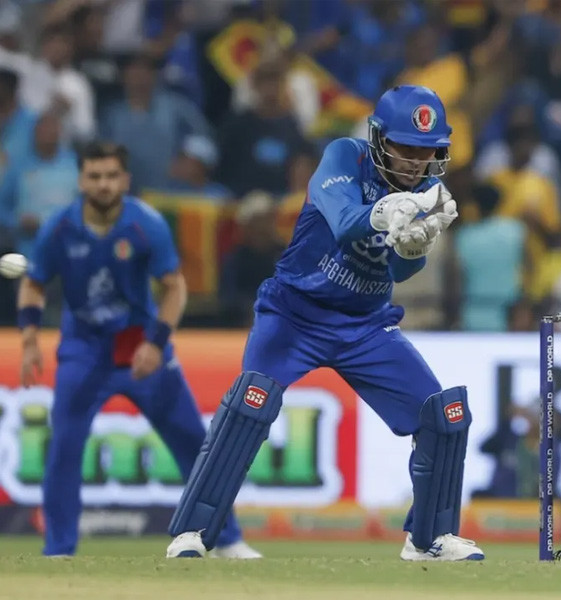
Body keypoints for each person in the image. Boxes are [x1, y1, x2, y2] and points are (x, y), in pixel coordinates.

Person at [165, 85, 479, 561]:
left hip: (366, 326)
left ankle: (428, 539)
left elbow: (400, 271)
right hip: (295, 314)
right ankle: (194, 532)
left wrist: (414, 248)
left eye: (426, 151)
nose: (417, 162)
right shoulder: (345, 157)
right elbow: (346, 221)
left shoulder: (427, 195)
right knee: (250, 403)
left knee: (443, 415)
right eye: (406, 148)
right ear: (379, 138)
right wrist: (385, 211)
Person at [16, 141, 258, 558]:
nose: (104, 185)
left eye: (111, 176)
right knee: (63, 450)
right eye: (95, 176)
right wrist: (29, 339)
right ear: (81, 181)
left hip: (141, 345)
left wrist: (156, 343)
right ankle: (59, 550)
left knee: (193, 442)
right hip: (84, 349)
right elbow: (34, 282)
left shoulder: (146, 224)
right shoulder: (58, 227)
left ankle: (227, 539)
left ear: (125, 180)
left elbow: (174, 288)